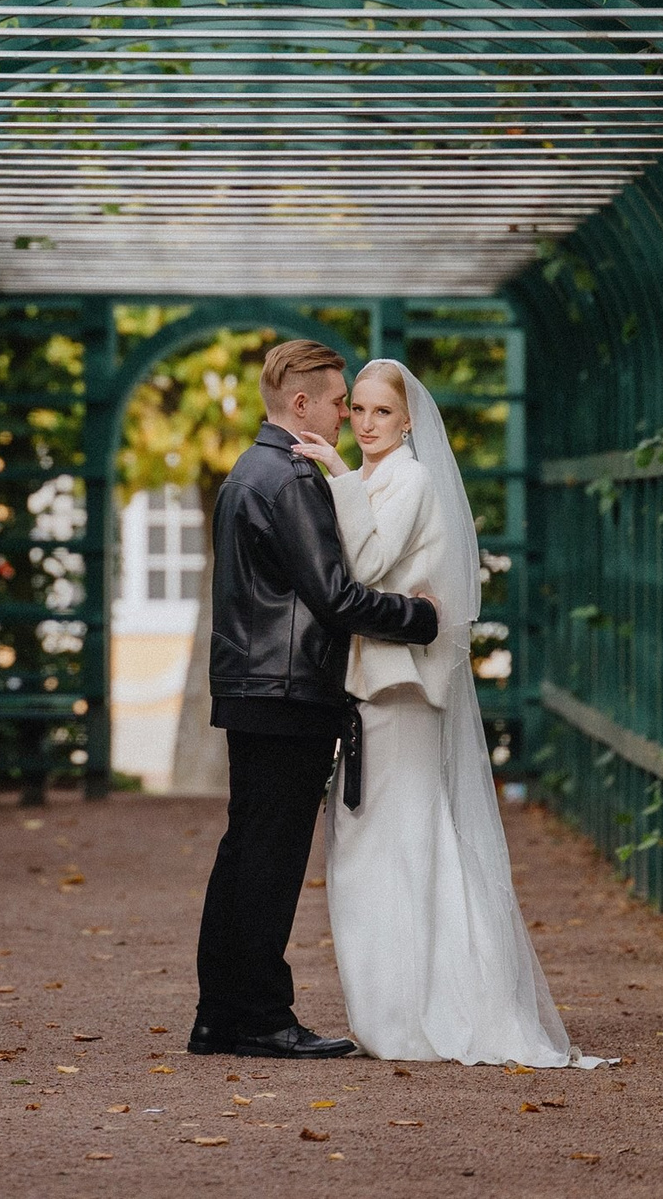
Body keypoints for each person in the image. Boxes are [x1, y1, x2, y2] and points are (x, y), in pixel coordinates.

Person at [290, 359, 596, 1068]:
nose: (365, 423)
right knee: (375, 843)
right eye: (356, 409)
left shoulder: (411, 478)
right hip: (371, 685)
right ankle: (396, 1006)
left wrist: (333, 467)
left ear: (407, 421)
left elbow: (364, 563)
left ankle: (425, 1009)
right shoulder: (372, 479)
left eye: (380, 412)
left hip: (401, 689)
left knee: (402, 841)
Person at [188, 339, 440, 1059]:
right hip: (288, 689)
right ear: (301, 404)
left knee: (244, 852)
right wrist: (418, 617)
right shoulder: (292, 476)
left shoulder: (248, 470)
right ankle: (261, 1016)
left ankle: (221, 1014)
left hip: (252, 683)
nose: (346, 418)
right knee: (268, 859)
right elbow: (334, 595)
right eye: (338, 402)